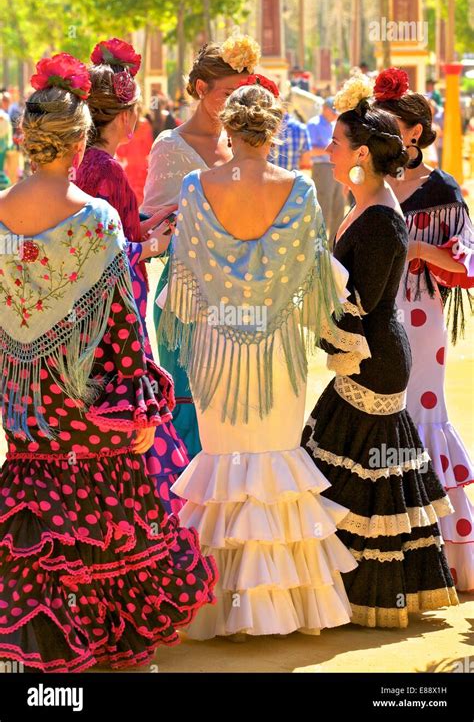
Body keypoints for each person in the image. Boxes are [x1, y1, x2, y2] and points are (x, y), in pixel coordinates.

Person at [0, 53, 217, 671]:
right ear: (76, 146)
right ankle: (106, 642)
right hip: (88, 402)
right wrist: (140, 401)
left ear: (25, 140)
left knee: (43, 527)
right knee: (106, 526)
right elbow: (123, 326)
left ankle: (50, 648)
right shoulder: (94, 220)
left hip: (28, 408)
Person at [159, 78, 372, 641]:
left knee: (223, 462)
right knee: (274, 463)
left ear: (228, 130)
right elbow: (318, 279)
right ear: (274, 133)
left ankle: (216, 604)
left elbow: (180, 275)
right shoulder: (299, 190)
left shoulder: (194, 186)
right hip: (276, 348)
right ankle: (283, 606)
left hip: (217, 344)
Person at [301, 74, 459, 628]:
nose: (328, 148)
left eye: (337, 143)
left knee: (364, 475)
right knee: (362, 472)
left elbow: (360, 304)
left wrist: (311, 300)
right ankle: (359, 593)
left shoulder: (380, 216)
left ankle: (364, 598)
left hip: (374, 356)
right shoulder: (369, 202)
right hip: (374, 353)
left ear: (361, 153)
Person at [76, 38, 188, 515]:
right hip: (118, 307)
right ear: (124, 117)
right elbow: (116, 251)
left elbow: (121, 228)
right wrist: (157, 244)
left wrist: (160, 213)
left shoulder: (85, 164)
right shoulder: (108, 171)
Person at [374, 68, 474, 592]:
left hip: (421, 316)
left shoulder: (441, 187)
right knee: (384, 413)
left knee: (424, 412)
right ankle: (392, 550)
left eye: (388, 122)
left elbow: (465, 263)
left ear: (414, 131)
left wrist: (415, 250)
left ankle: (447, 549)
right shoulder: (370, 180)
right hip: (376, 315)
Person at [141, 34, 261, 460]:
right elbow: (152, 233)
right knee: (190, 411)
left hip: (242, 298)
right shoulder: (170, 148)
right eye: (229, 93)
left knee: (237, 409)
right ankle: (187, 517)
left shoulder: (249, 144)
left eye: (246, 93)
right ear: (200, 89)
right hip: (186, 301)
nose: (237, 103)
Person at [307, 97, 346, 248]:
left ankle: (333, 244)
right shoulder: (314, 123)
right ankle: (319, 245)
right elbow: (310, 150)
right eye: (332, 111)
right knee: (324, 205)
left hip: (336, 166)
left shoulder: (334, 124)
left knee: (339, 205)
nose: (335, 114)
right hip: (322, 167)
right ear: (324, 108)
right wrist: (332, 149)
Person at [116, 112, 154, 205]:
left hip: (129, 170)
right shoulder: (144, 124)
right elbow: (149, 148)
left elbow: (120, 152)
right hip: (143, 170)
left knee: (130, 201)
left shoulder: (124, 126)